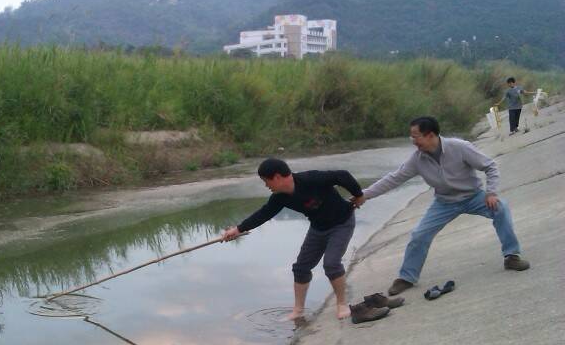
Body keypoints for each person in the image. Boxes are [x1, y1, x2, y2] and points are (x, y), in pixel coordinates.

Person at [351, 116, 529, 296]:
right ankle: (407, 277)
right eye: (411, 137)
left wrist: (491, 193)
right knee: (419, 235)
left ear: (429, 135)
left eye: (416, 137)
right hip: (444, 202)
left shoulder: (459, 147)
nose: (413, 141)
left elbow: (490, 166)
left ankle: (512, 256)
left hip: (473, 196)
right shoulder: (417, 159)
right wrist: (364, 195)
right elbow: (393, 179)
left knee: (501, 209)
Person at [222, 158, 364, 321]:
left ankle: (342, 304)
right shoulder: (280, 197)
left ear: (276, 177)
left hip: (342, 223)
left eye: (266, 181)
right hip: (318, 228)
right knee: (301, 268)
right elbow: (263, 214)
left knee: (331, 263)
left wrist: (358, 195)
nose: (266, 186)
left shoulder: (311, 179)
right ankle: (298, 311)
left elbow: (342, 175)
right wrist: (238, 229)